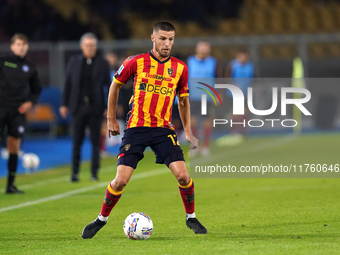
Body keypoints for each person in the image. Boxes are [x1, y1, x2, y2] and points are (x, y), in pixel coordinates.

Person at [81, 21, 207, 239]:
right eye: (163, 39)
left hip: (163, 129)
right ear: (153, 38)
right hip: (136, 128)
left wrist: (188, 132)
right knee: (120, 180)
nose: (167, 44)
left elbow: (184, 102)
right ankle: (101, 219)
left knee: (184, 176)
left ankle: (191, 217)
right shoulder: (136, 61)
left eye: (171, 39)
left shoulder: (180, 68)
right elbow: (114, 86)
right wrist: (111, 118)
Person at [59, 32, 111, 182]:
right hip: (78, 107)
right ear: (82, 46)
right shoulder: (73, 62)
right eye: (87, 45)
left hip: (96, 108)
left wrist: (109, 106)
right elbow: (68, 84)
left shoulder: (102, 63)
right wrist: (64, 104)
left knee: (96, 142)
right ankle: (74, 174)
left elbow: (109, 86)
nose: (90, 48)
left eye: (93, 45)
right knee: (77, 142)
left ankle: (94, 173)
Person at [0, 33, 42, 194]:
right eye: (18, 44)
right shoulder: (3, 62)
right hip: (1, 107)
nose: (21, 47)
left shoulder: (30, 67)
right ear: (12, 46)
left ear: (27, 47)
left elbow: (37, 89)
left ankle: (10, 184)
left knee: (13, 146)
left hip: (17, 110)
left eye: (23, 44)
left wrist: (30, 102)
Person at [186, 41, 222, 156]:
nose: (203, 51)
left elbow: (219, 78)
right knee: (193, 121)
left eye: (206, 49)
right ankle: (195, 146)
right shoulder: (190, 61)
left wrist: (218, 93)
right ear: (197, 49)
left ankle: (206, 146)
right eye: (202, 49)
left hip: (207, 96)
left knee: (207, 121)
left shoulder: (213, 62)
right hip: (193, 96)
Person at [225, 48, 254, 136]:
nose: (243, 58)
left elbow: (253, 78)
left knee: (244, 112)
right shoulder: (232, 65)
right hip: (234, 93)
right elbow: (226, 78)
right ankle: (233, 132)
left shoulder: (250, 66)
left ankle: (244, 132)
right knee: (235, 112)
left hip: (245, 93)